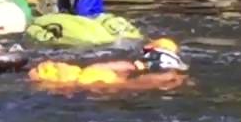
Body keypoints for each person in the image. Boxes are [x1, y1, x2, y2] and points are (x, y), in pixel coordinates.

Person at [29, 38, 189, 90]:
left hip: (80, 76)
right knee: (125, 84)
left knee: (125, 82)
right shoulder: (131, 70)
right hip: (84, 79)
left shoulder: (133, 64)